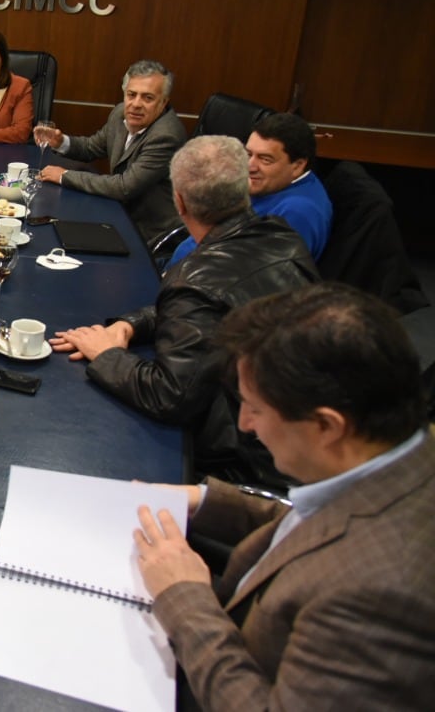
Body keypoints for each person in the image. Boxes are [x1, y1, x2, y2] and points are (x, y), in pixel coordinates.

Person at [133, 283, 435, 709]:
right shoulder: (403, 460)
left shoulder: (380, 596)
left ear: (327, 426)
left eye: (254, 407)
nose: (244, 424)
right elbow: (318, 520)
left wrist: (184, 598)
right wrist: (203, 499)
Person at [50, 136, 318, 485]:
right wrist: (130, 325)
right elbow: (218, 305)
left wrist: (107, 354)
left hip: (246, 460)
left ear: (179, 201)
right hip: (298, 431)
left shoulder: (195, 279)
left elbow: (170, 397)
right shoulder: (281, 236)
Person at [35, 59, 186, 245]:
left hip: (149, 234)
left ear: (163, 103)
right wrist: (60, 142)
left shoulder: (166, 136)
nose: (136, 104)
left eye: (148, 98)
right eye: (131, 95)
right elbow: (92, 147)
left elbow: (124, 187)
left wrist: (64, 176)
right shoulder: (120, 113)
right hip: (117, 213)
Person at [168, 112, 333, 267]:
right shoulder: (272, 186)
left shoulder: (299, 212)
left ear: (297, 166)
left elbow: (259, 275)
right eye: (249, 154)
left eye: (265, 159)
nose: (250, 166)